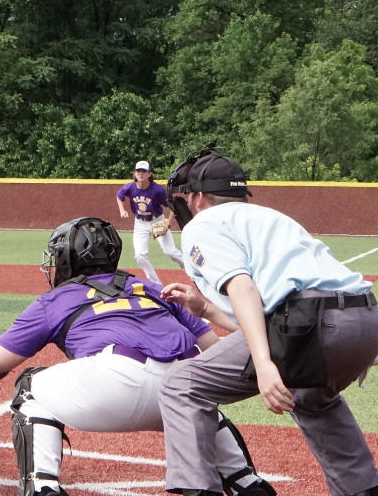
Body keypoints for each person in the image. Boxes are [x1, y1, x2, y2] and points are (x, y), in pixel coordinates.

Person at [0, 216, 273, 496]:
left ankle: (42, 488)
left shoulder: (57, 299)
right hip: (183, 383)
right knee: (194, 396)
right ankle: (246, 481)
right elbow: (216, 350)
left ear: (68, 258)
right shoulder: (151, 287)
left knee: (30, 386)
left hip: (116, 382)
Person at [158, 148, 378, 496]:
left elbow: (243, 288)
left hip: (312, 327)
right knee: (309, 396)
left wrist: (263, 365)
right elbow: (266, 319)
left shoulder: (203, 223)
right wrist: (206, 310)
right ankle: (363, 489)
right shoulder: (271, 218)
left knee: (181, 384)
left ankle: (200, 491)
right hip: (364, 321)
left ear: (198, 198)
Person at [116, 160, 184, 282]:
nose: (140, 173)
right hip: (140, 223)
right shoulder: (130, 187)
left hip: (157, 221)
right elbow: (119, 196)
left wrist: (168, 222)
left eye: (144, 171)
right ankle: (156, 284)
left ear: (149, 174)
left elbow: (172, 205)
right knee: (140, 256)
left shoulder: (157, 190)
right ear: (134, 173)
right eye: (138, 171)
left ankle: (192, 271)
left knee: (170, 252)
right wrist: (122, 210)